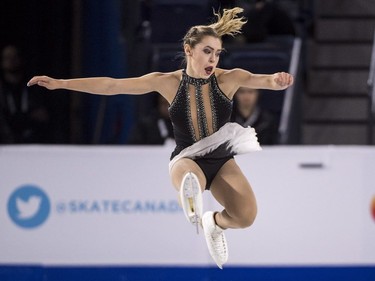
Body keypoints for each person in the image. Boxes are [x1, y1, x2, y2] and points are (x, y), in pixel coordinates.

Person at [27, 7, 293, 268]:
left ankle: (212, 223)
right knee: (190, 182)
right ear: (189, 50)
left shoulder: (230, 78)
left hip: (221, 157)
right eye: (207, 52)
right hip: (187, 157)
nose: (213, 60)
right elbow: (112, 85)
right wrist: (62, 82)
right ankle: (192, 205)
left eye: (217, 54)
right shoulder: (167, 82)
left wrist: (277, 80)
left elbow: (262, 80)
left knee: (246, 217)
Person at [0, 45, 51, 143]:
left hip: (32, 140)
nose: (11, 61)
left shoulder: (33, 87)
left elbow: (43, 115)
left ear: (20, 59)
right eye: (7, 58)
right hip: (5, 141)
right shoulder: (2, 89)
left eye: (14, 57)